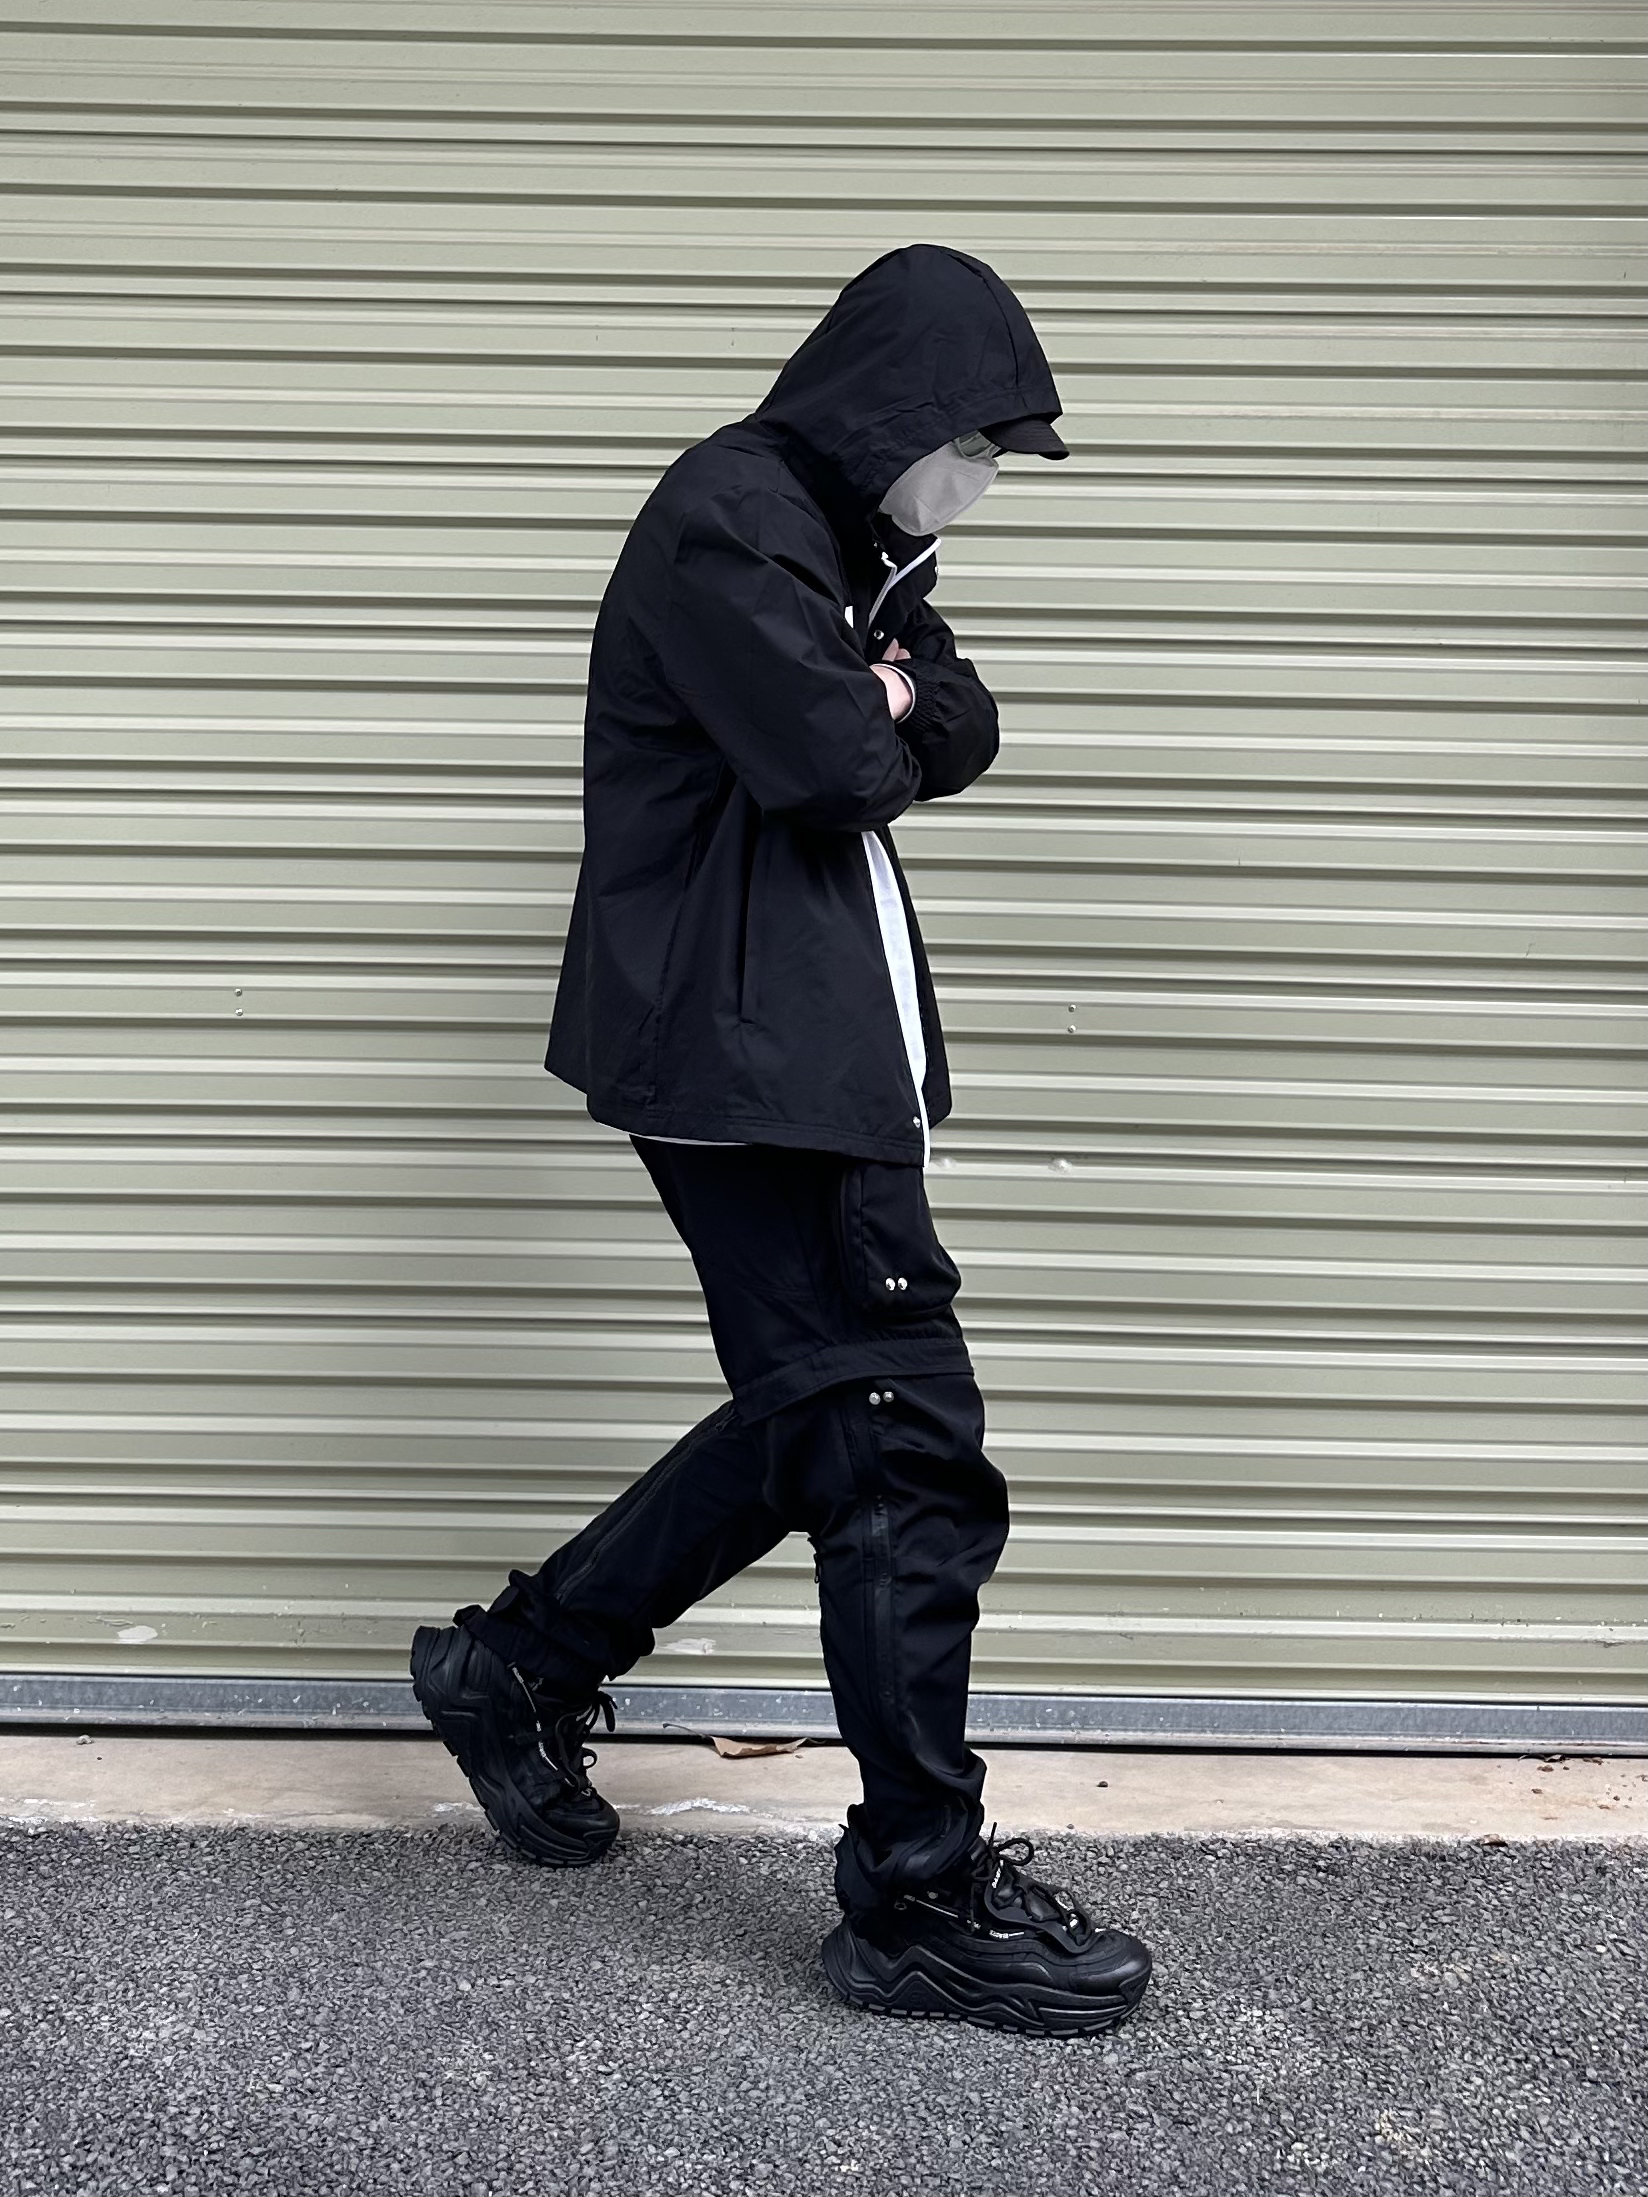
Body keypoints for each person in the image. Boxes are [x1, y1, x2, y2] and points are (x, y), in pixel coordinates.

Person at [410, 244, 1152, 2037]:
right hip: (751, 1056)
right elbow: (840, 763)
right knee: (905, 1445)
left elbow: (960, 724)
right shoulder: (730, 523)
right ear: (895, 405)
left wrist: (893, 690)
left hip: (807, 1048)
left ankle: (521, 1666)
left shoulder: (853, 539)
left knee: (826, 1409)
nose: (978, 478)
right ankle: (917, 1894)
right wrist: (875, 698)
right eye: (973, 442)